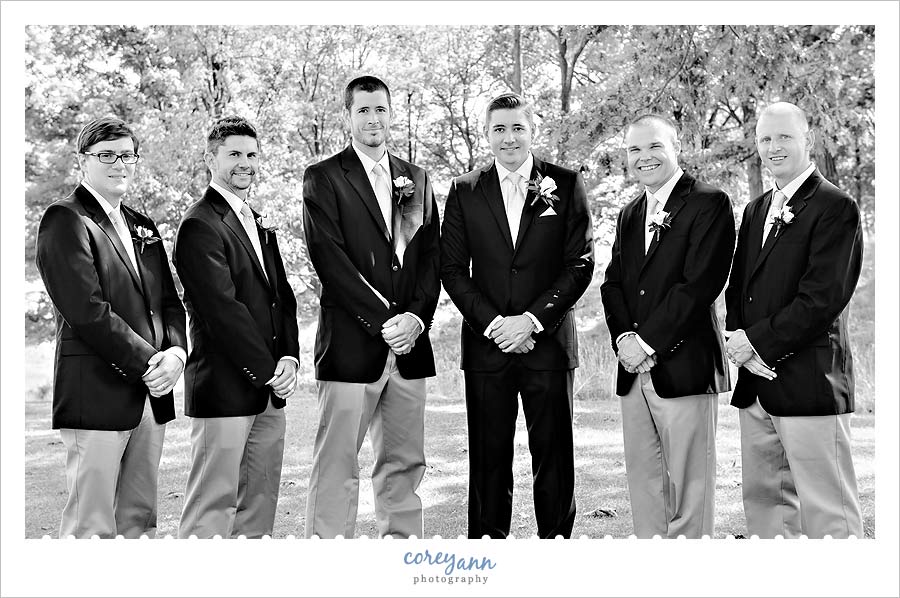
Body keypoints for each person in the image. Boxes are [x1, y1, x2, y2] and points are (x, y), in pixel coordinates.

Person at [440, 92, 593, 539]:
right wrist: (495, 325)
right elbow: (452, 269)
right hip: (488, 350)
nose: (509, 138)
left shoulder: (565, 184)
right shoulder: (465, 190)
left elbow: (580, 263)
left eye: (517, 128)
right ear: (486, 134)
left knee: (555, 458)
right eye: (499, 128)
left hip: (547, 344)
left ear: (532, 129)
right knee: (488, 462)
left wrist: (530, 321)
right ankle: (488, 558)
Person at [301, 75, 440, 539]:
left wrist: (416, 319)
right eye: (363, 110)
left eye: (380, 109)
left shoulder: (416, 178)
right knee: (337, 465)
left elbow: (430, 259)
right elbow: (330, 260)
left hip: (410, 347)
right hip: (350, 346)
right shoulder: (323, 177)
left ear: (391, 113)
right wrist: (387, 323)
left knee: (404, 464)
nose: (373, 118)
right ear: (347, 116)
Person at [35, 117, 186, 538]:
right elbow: (87, 311)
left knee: (139, 521)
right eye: (106, 156)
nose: (119, 164)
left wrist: (176, 354)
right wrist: (151, 361)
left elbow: (170, 303)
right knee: (92, 526)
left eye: (127, 155)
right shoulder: (65, 219)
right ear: (83, 162)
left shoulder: (144, 225)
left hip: (151, 395)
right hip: (97, 392)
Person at [724, 101, 864, 538]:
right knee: (766, 510)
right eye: (765, 139)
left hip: (810, 382)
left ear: (809, 141)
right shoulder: (755, 210)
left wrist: (756, 343)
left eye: (783, 137)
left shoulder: (835, 206)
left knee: (830, 516)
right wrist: (738, 343)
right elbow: (739, 288)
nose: (773, 147)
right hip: (756, 385)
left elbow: (821, 299)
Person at [600, 114, 735, 538]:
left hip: (685, 368)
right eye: (634, 150)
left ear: (676, 146)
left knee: (690, 492)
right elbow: (613, 283)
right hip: (633, 373)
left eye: (654, 146)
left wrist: (647, 342)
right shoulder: (629, 212)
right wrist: (624, 339)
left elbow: (700, 285)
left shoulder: (708, 203)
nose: (644, 157)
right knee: (645, 488)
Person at [174, 116, 299, 538]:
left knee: (259, 504)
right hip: (225, 388)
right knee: (212, 508)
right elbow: (221, 310)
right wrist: (268, 371)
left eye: (250, 154)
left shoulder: (258, 222)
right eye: (234, 154)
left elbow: (282, 297)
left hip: (269, 387)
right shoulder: (199, 224)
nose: (244, 163)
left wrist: (289, 359)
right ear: (211, 158)